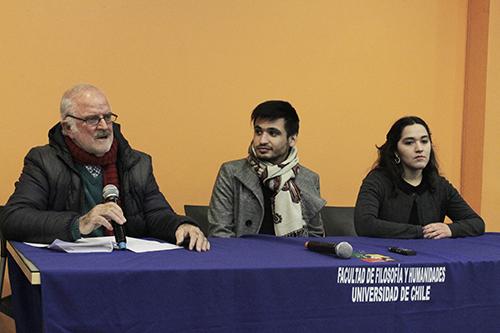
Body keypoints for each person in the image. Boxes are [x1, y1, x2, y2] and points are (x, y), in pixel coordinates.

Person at [0, 84, 209, 251]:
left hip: (124, 264)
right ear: (67, 128)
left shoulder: (136, 163)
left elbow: (156, 213)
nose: (104, 126)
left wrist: (181, 225)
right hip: (69, 268)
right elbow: (13, 218)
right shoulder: (44, 161)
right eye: (92, 119)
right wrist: (78, 223)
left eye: (107, 117)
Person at [208, 100, 326, 237]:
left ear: (292, 139)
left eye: (273, 133)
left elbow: (316, 235)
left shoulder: (309, 178)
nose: (262, 140)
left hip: (293, 256)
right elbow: (220, 233)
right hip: (243, 255)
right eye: (258, 132)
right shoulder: (231, 172)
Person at [354, 116, 485, 239]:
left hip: (431, 258)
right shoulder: (377, 181)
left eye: (424, 141)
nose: (419, 148)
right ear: (395, 150)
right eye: (409, 142)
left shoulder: (439, 185)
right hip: (387, 257)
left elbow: (476, 223)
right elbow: (365, 225)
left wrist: (451, 229)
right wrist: (421, 232)